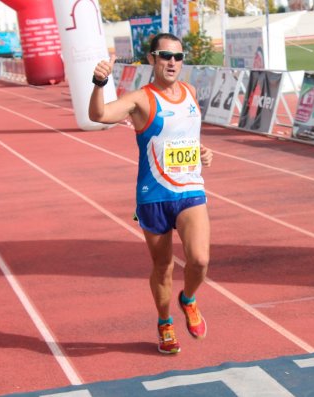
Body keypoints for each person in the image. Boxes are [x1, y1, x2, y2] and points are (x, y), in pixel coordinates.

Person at [88, 32, 213, 354]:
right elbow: (99, 116)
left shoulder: (191, 92)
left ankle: (188, 299)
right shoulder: (140, 99)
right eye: (165, 56)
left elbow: (183, 138)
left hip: (190, 190)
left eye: (178, 57)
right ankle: (164, 322)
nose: (173, 62)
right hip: (153, 195)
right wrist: (99, 83)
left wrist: (202, 152)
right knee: (163, 267)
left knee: (199, 259)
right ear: (152, 60)